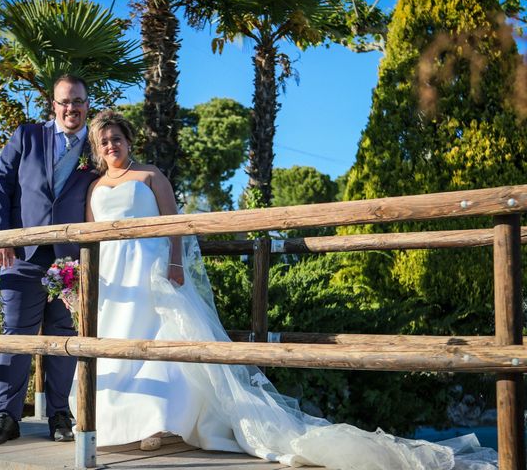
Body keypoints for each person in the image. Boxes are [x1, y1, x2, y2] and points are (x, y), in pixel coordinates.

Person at [71, 110, 498, 469]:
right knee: (113, 343)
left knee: (162, 342)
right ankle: (113, 422)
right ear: (98, 147)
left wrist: (176, 263)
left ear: (129, 140)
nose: (111, 145)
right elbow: (90, 237)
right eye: (104, 140)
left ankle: (158, 424)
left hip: (153, 270)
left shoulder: (150, 176)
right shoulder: (94, 189)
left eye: (117, 138)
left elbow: (178, 226)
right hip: (113, 275)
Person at [0, 74, 98, 446]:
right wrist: (2, 234)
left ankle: (60, 415)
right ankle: (7, 416)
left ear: (86, 105)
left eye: (78, 101)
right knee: (16, 335)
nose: (71, 108)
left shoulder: (95, 148)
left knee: (63, 338)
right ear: (53, 105)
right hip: (23, 254)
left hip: (71, 260)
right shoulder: (27, 136)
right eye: (65, 102)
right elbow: (0, 183)